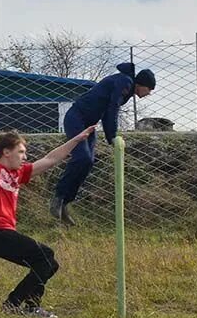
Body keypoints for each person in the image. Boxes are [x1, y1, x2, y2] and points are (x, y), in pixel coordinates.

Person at [0, 112, 96, 318]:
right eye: (21, 152)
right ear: (6, 152)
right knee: (45, 254)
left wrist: (77, 139)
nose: (25, 157)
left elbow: (50, 159)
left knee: (48, 264)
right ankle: (12, 304)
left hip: (5, 233)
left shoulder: (19, 174)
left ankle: (31, 308)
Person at [50, 62, 155, 225]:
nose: (149, 93)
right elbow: (112, 108)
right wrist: (112, 136)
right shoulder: (125, 82)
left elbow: (107, 112)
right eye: (149, 89)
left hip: (89, 125)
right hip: (76, 118)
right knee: (82, 157)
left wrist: (110, 137)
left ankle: (65, 204)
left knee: (89, 161)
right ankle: (58, 196)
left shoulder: (126, 87)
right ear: (142, 85)